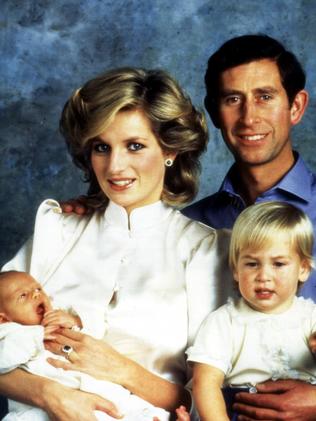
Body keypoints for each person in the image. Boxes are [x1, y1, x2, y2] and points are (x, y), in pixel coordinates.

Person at [0, 67, 232, 420]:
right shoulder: (58, 229)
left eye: (135, 146)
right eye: (101, 147)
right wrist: (50, 394)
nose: (115, 166)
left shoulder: (206, 251)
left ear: (170, 150)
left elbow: (208, 400)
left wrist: (121, 370)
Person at [182, 34, 316, 420]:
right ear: (215, 113)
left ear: (296, 106)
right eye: (232, 99)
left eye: (265, 96)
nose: (249, 118)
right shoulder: (192, 227)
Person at [176, 201, 316, 421]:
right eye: (252, 264)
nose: (263, 276)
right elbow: (206, 383)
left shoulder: (311, 317)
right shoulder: (225, 321)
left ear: (303, 269)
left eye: (278, 264)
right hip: (242, 410)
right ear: (235, 270)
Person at [0, 270, 170, 420]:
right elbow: (4, 360)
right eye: (23, 295)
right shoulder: (10, 333)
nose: (36, 295)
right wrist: (37, 335)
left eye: (38, 289)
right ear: (3, 318)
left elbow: (96, 335)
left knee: (137, 410)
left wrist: (75, 322)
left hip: (100, 396)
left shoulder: (59, 315)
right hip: (42, 410)